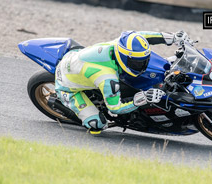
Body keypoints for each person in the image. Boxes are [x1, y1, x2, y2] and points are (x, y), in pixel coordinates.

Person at [55, 30, 189, 134]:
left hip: (77, 60)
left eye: (143, 60)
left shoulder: (123, 43)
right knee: (98, 125)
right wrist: (140, 99)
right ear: (125, 57)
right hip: (67, 85)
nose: (142, 65)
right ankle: (72, 108)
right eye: (137, 62)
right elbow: (115, 108)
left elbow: (141, 36)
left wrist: (172, 37)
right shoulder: (106, 77)